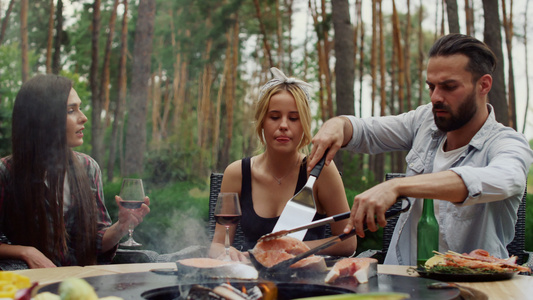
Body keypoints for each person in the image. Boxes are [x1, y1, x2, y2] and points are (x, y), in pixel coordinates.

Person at [307, 33, 533, 265]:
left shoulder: (508, 143)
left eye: (448, 86)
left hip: (473, 289)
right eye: (431, 86)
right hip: (400, 282)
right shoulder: (425, 121)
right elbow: (366, 131)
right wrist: (337, 125)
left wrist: (397, 186)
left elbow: (507, 179)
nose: (435, 97)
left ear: (483, 85)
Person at [0, 74, 150, 268]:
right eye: (71, 110)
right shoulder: (6, 173)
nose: (83, 118)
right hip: (32, 285)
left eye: (79, 108)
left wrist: (121, 227)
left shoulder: (88, 168)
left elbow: (96, 243)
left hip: (81, 280)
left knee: (153, 259)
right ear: (43, 118)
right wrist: (25, 252)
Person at [209, 68, 356, 261]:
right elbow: (218, 244)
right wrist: (224, 253)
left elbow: (348, 241)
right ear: (262, 122)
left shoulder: (321, 171)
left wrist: (294, 248)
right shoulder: (237, 173)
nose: (284, 125)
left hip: (307, 281)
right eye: (274, 117)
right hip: (253, 280)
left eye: (294, 118)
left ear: (304, 124)